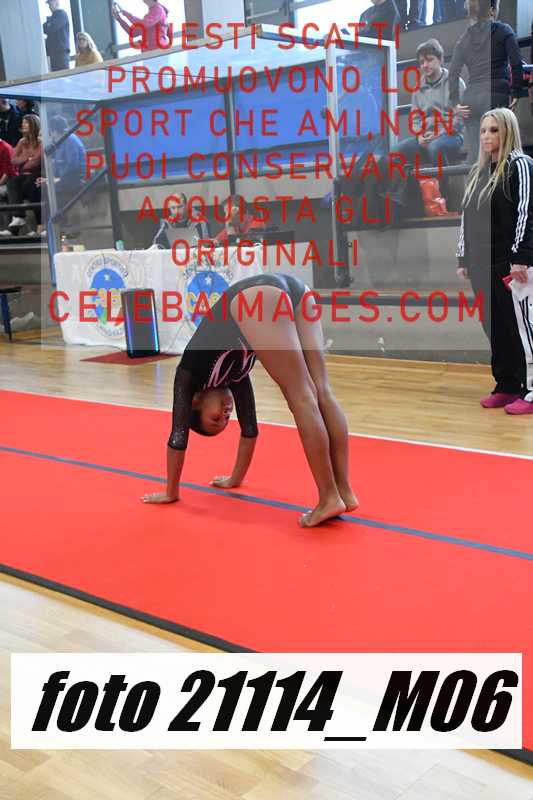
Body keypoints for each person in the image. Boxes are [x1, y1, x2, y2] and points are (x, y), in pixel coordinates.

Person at [141, 273, 358, 527]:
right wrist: (235, 478)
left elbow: (178, 437)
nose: (225, 414)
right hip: (295, 291)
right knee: (321, 390)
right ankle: (344, 492)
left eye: (215, 418)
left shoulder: (187, 375)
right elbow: (250, 430)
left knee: (301, 395)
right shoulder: (234, 377)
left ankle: (329, 497)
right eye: (225, 419)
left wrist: (171, 491)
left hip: (257, 297)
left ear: (195, 403)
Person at [456, 108, 533, 414]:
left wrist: (520, 257)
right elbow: (466, 218)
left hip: (511, 263)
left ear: (507, 131)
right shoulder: (477, 172)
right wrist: (463, 256)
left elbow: (527, 213)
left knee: (522, 329)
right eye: (483, 130)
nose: (487, 136)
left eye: (494, 130)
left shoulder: (520, 165)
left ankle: (530, 389)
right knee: (495, 327)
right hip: (481, 263)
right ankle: (507, 384)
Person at [449, 0, 523, 163]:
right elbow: (516, 63)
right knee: (501, 151)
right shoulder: (504, 30)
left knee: (476, 153)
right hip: (496, 95)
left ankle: (473, 180)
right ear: (492, 10)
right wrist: (516, 92)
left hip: (471, 100)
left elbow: (453, 73)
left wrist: (455, 103)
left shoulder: (464, 39)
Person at [396, 39, 465, 172]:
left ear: (440, 60)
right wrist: (419, 136)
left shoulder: (455, 83)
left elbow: (460, 119)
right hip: (426, 136)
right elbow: (415, 119)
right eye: (422, 62)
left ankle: (443, 185)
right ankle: (409, 185)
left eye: (429, 60)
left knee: (435, 147)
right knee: (396, 151)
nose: (425, 65)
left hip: (451, 135)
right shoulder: (418, 88)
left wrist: (439, 134)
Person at [36, 116, 84, 232]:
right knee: (42, 187)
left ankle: (59, 226)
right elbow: (57, 165)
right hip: (63, 177)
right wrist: (49, 179)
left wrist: (58, 179)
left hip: (74, 178)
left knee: (53, 189)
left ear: (54, 130)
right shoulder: (59, 142)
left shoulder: (70, 140)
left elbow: (73, 165)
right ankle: (49, 225)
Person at [6, 115, 43, 235]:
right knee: (12, 183)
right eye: (23, 122)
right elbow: (13, 160)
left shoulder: (41, 142)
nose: (23, 125)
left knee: (30, 186)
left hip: (38, 173)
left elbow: (37, 162)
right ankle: (18, 217)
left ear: (33, 124)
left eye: (26, 122)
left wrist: (24, 161)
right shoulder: (22, 141)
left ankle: (38, 226)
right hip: (24, 174)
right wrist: (27, 158)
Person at [43, 0, 71, 72]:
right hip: (53, 54)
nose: (49, 6)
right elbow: (44, 28)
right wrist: (48, 25)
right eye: (49, 4)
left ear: (57, 2)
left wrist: (48, 25)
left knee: (64, 74)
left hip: (61, 53)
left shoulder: (61, 14)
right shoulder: (52, 18)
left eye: (50, 3)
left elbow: (53, 26)